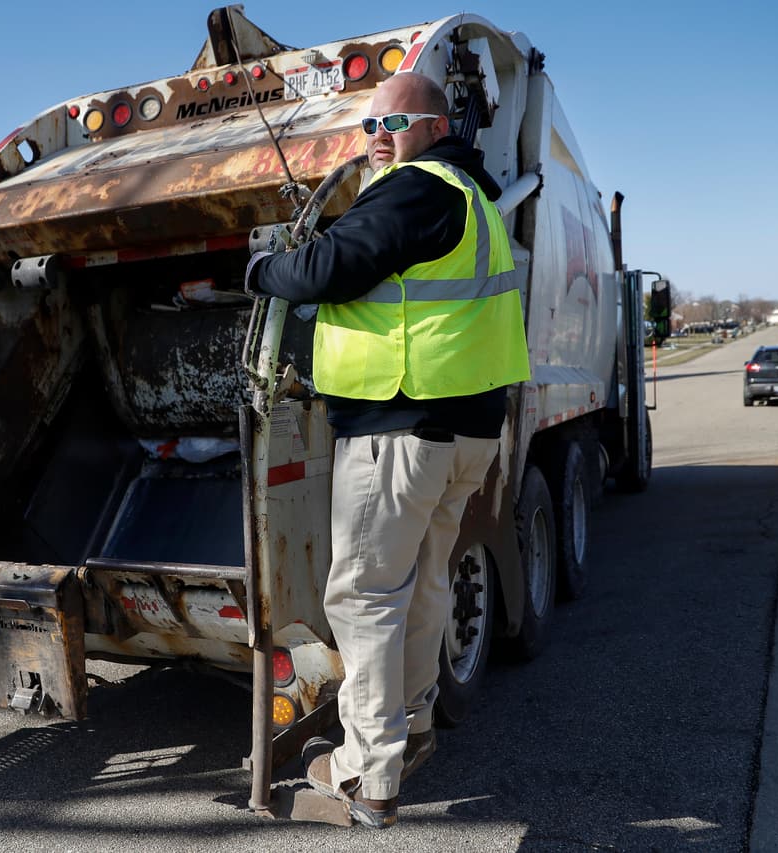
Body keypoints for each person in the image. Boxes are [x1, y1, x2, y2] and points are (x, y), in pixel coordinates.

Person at [245, 71, 530, 828]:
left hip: (401, 428)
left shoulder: (417, 187)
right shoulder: (475, 196)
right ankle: (412, 723)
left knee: (365, 597)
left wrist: (260, 269)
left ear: (435, 127)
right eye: (369, 125)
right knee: (420, 582)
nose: (377, 137)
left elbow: (328, 269)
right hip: (462, 429)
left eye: (392, 124)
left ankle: (366, 776)